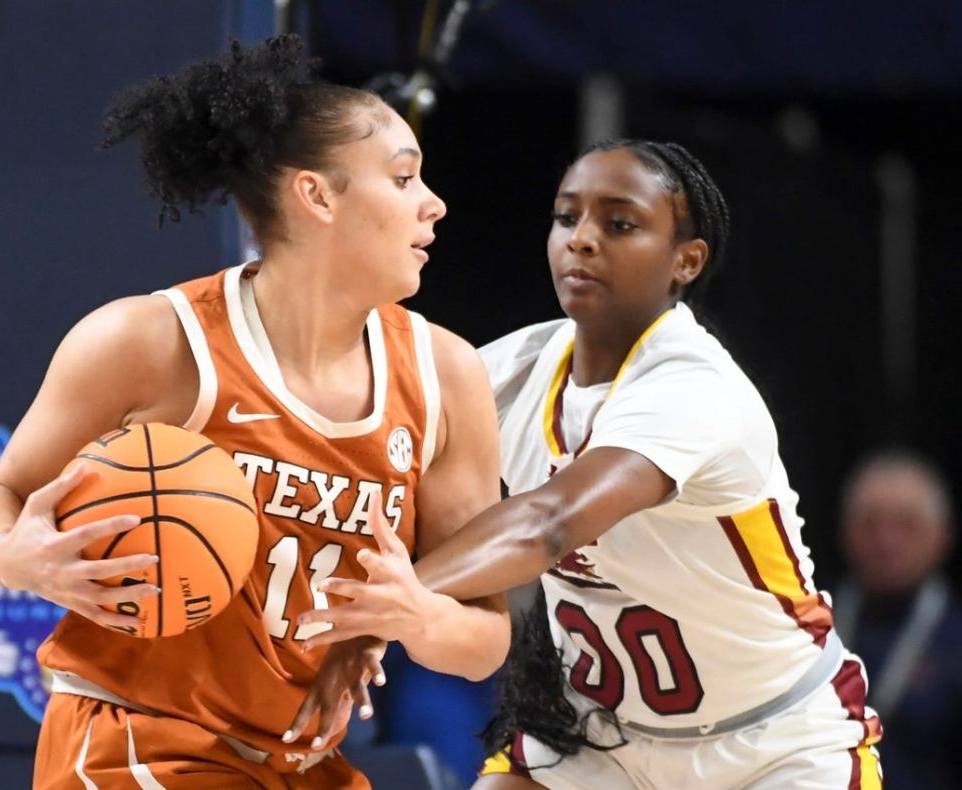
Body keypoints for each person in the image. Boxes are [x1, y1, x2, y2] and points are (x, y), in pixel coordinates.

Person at [0, 36, 509, 789]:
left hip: (303, 761)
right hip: (134, 741)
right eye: (404, 177)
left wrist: (418, 616)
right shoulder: (149, 342)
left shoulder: (447, 376)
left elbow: (486, 636)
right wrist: (14, 557)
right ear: (318, 196)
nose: (433, 203)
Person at [296, 139, 885, 788]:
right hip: (598, 736)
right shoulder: (513, 369)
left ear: (686, 260)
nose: (580, 238)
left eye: (620, 223)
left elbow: (547, 525)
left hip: (770, 744)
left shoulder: (695, 386)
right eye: (566, 217)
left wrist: (390, 603)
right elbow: (353, 446)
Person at [836, 449, 961, 789]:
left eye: (908, 525)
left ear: (943, 533)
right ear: (845, 530)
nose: (886, 541)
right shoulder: (809, 627)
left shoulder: (955, 640)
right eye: (870, 524)